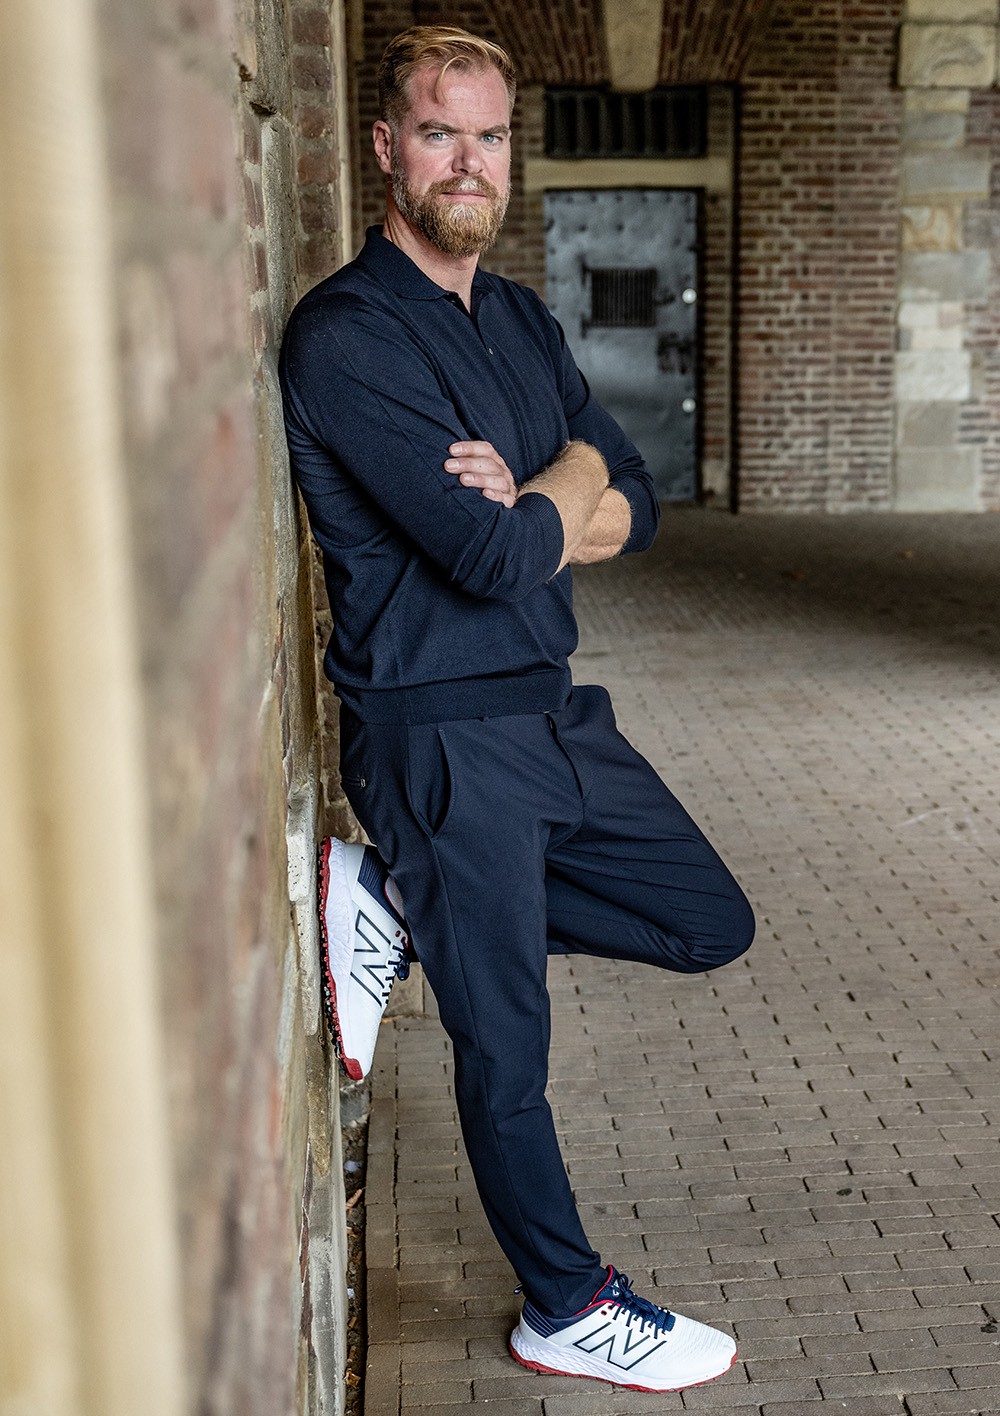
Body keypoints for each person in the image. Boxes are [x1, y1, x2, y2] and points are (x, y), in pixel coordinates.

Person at [278, 25, 755, 1394]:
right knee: (508, 1051)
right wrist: (568, 483)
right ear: (388, 147)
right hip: (438, 735)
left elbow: (636, 496)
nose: (469, 163)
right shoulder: (347, 336)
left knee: (707, 920)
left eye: (490, 137)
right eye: (440, 133)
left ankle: (396, 900)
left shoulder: (523, 319)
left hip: (551, 711)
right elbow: (490, 555)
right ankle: (565, 1304)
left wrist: (556, 480)